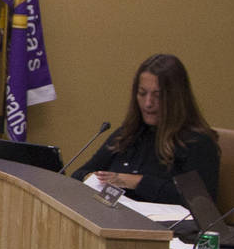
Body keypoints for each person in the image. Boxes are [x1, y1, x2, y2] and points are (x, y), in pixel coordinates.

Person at [75, 52, 220, 205]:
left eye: (158, 95)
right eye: (142, 93)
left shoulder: (197, 143)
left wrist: (138, 182)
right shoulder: (127, 135)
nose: (148, 103)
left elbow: (201, 205)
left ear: (176, 98)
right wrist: (93, 179)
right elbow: (78, 175)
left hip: (165, 227)